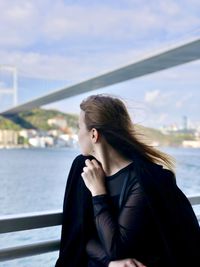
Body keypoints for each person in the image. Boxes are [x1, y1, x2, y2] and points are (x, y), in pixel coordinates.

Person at [55, 94, 200, 267]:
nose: (77, 135)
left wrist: (98, 193)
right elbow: (79, 235)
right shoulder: (83, 167)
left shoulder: (144, 179)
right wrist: (109, 263)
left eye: (79, 128)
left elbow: (118, 248)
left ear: (94, 134)